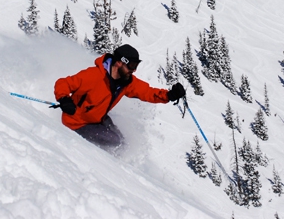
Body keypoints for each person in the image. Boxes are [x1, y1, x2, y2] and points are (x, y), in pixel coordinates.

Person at [54, 44, 186, 148]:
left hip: (98, 119)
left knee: (122, 140)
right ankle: (111, 167)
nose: (133, 70)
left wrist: (169, 95)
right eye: (131, 65)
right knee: (116, 142)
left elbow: (147, 92)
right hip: (78, 123)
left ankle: (121, 162)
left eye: (136, 66)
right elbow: (63, 83)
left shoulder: (126, 82)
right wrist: (64, 99)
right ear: (119, 62)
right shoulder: (93, 76)